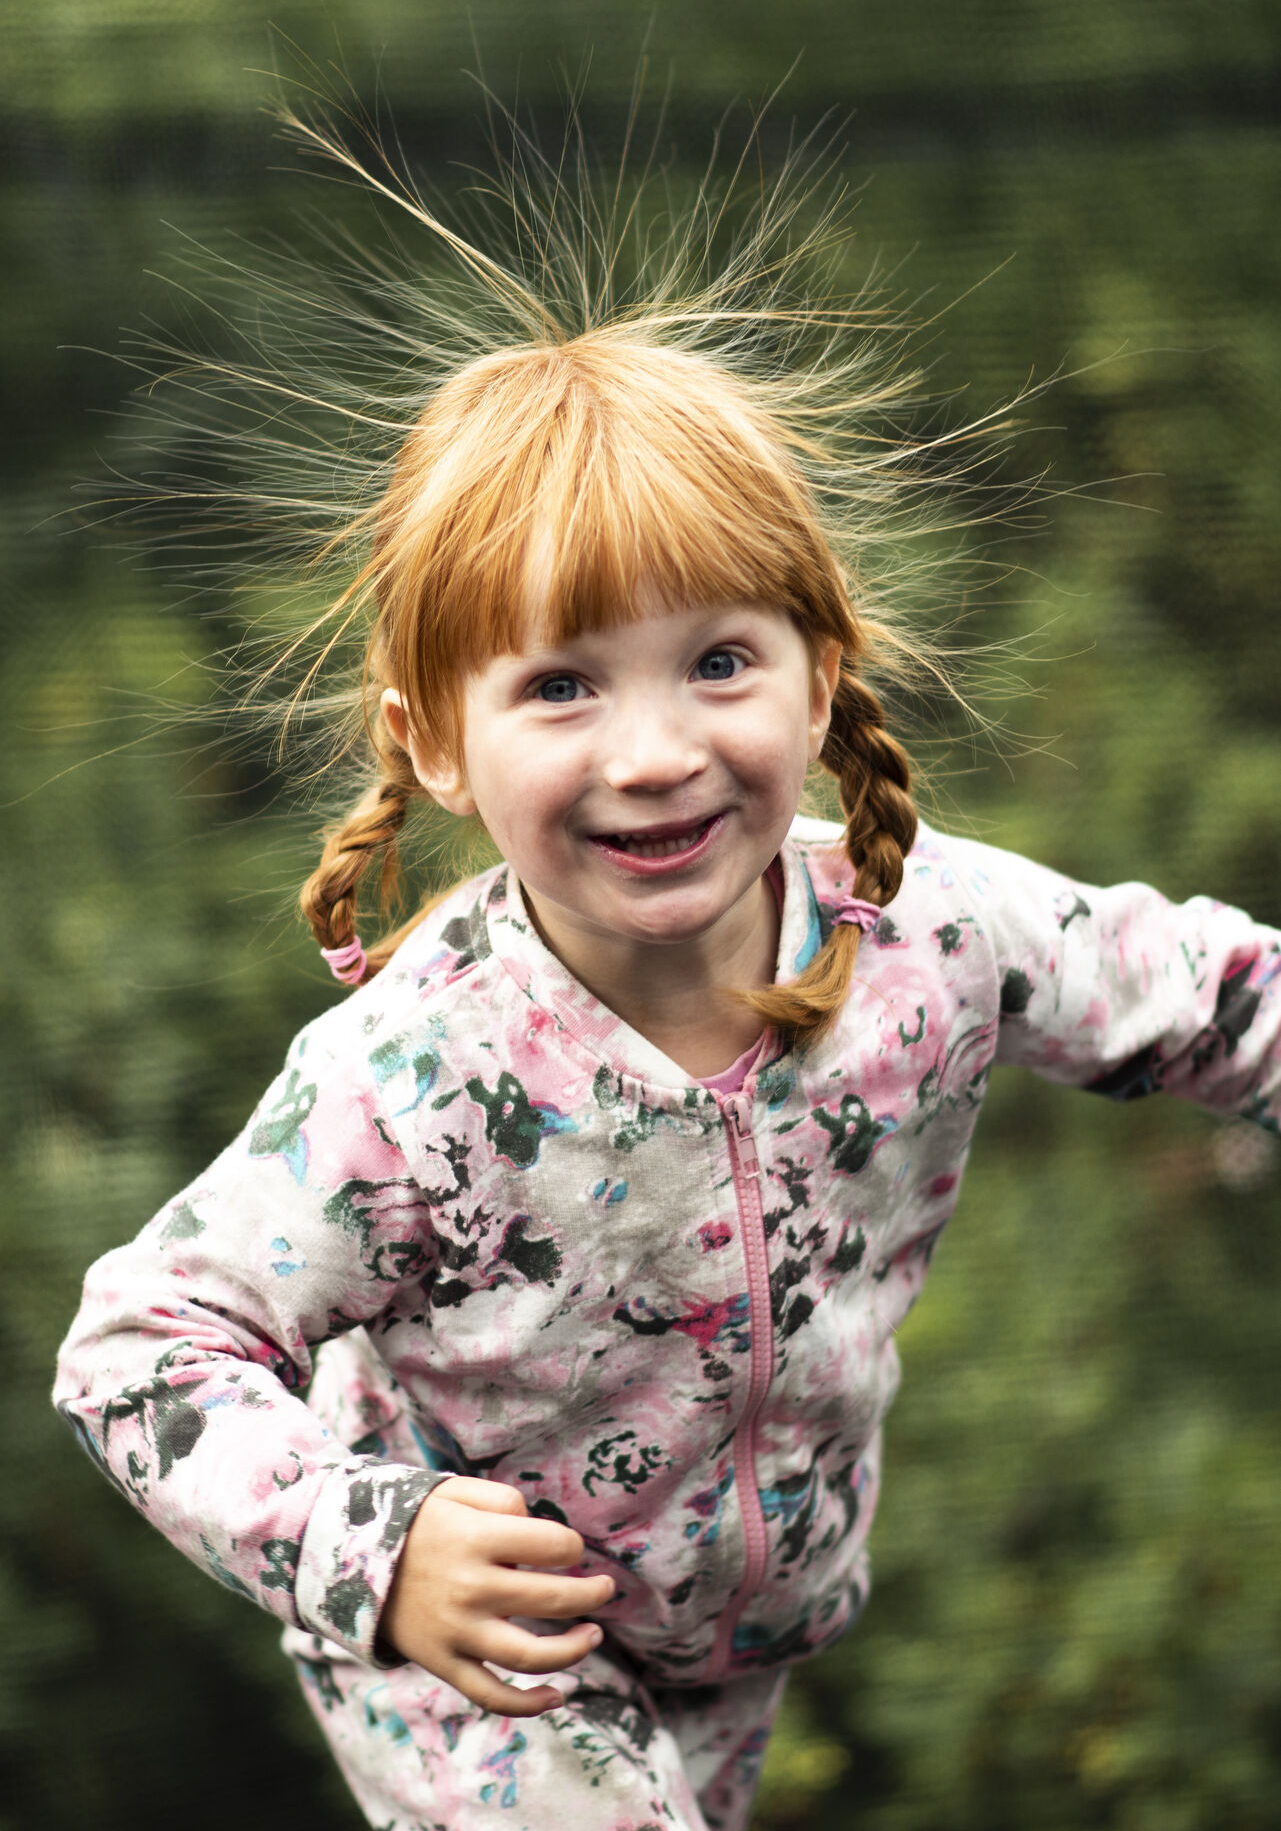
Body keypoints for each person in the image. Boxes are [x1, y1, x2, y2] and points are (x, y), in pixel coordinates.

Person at [52, 94, 1281, 1831]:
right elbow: (137, 1350)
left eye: (716, 662)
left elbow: (1225, 1000)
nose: (652, 753)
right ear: (433, 744)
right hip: (479, 1653)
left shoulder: (924, 928)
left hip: (737, 1644)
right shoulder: (413, 1082)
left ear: (813, 673)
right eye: (561, 686)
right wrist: (373, 1547)